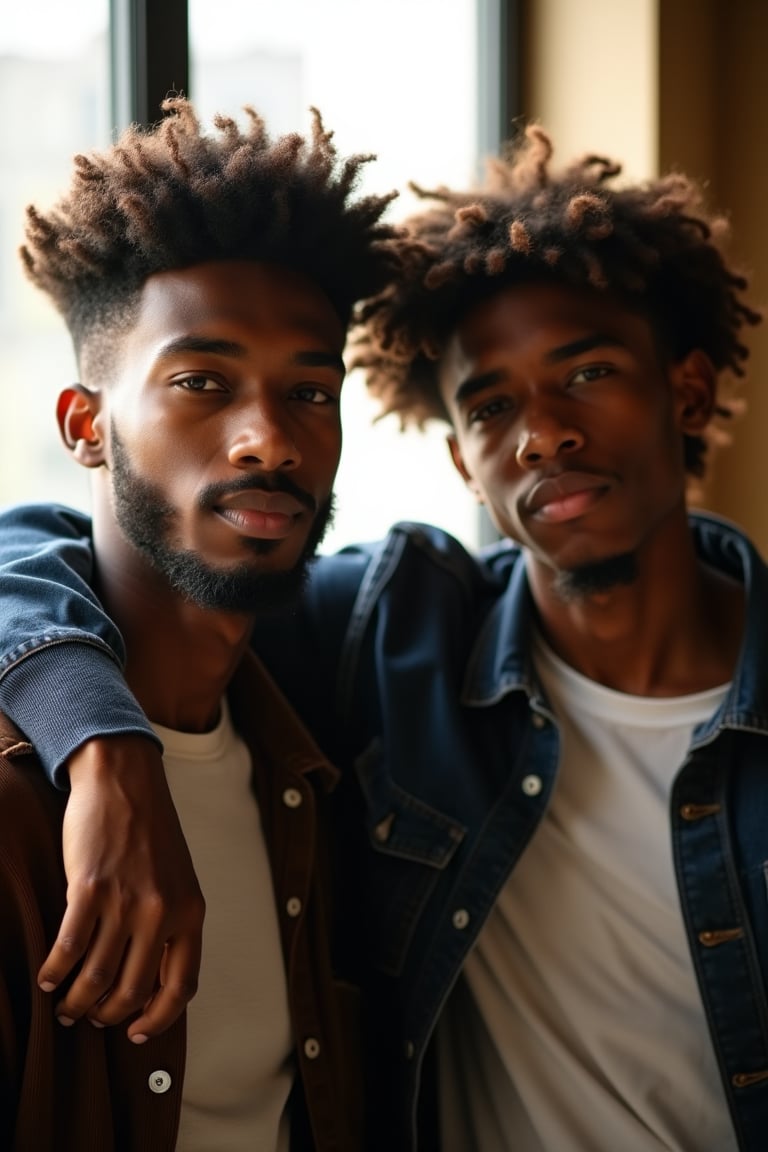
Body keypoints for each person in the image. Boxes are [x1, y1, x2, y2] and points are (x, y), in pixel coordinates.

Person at [0, 124, 766, 1152]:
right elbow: (55, 546)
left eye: (585, 374)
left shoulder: (363, 667)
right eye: (493, 405)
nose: (542, 432)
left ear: (685, 389)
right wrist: (101, 740)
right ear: (461, 461)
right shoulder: (400, 639)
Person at [0, 94, 398, 1150]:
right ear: (87, 427)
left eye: (310, 394)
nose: (269, 440)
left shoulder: (322, 739)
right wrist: (99, 741)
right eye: (202, 383)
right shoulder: (17, 808)